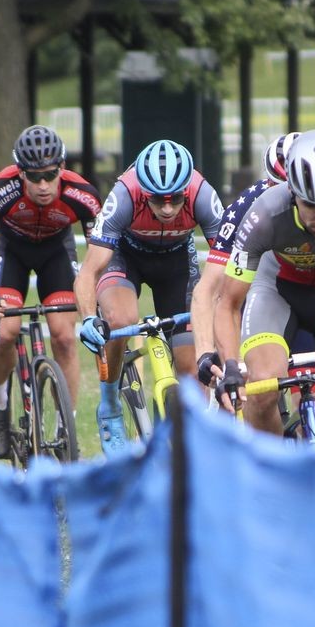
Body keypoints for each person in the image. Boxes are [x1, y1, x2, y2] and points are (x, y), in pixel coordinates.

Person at [212, 129, 315, 434]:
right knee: (262, 392)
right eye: (311, 205)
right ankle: (276, 473)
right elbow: (229, 303)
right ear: (292, 193)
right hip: (278, 294)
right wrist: (232, 365)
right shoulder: (264, 214)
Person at [75, 138, 224, 456]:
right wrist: (89, 317)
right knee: (121, 320)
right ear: (145, 192)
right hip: (125, 259)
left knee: (191, 366)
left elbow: (229, 264)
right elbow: (89, 271)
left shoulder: (202, 194)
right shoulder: (125, 195)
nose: (168, 209)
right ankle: (110, 403)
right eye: (159, 200)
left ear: (187, 190)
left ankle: (188, 451)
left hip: (176, 265)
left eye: (175, 199)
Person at [0, 125, 101, 460]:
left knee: (65, 337)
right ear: (20, 173)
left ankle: (65, 428)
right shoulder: (1, 189)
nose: (43, 185)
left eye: (51, 175)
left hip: (57, 251)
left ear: (62, 168)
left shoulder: (83, 193)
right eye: (34, 177)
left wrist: (97, 297)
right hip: (11, 250)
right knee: (7, 331)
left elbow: (102, 253)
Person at [192, 131, 301, 387]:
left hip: (305, 290)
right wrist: (205, 354)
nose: (286, 200)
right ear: (267, 181)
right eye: (277, 188)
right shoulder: (245, 208)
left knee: (310, 398)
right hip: (260, 290)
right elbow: (208, 289)